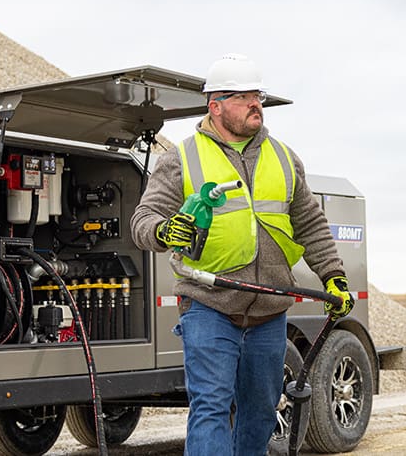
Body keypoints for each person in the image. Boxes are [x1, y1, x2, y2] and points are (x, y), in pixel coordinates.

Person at [130, 53, 353, 456]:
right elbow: (143, 221)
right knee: (211, 407)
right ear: (215, 106)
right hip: (208, 303)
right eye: (243, 97)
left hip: (269, 309)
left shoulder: (284, 158)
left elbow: (311, 224)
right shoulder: (181, 158)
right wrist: (166, 230)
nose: (256, 105)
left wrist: (333, 275)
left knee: (260, 412)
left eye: (258, 96)